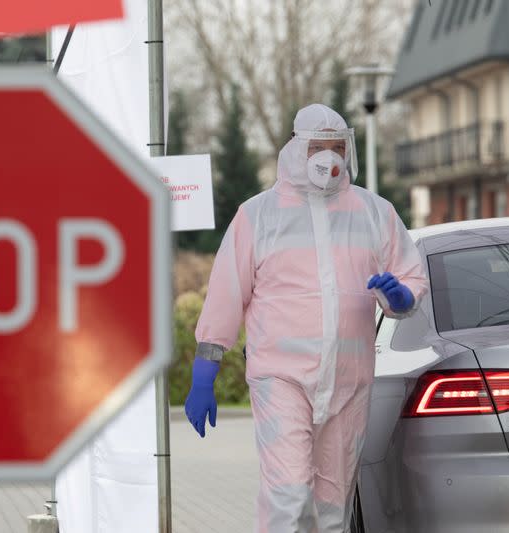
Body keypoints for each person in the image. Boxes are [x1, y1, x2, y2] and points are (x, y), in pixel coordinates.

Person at [185, 103, 429, 532]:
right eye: (319, 147)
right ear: (297, 148)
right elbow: (226, 294)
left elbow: (411, 276)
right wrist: (206, 370)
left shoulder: (374, 212)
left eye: (338, 147)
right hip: (281, 378)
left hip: (350, 381)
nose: (329, 158)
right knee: (290, 494)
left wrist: (402, 295)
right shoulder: (258, 215)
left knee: (334, 507)